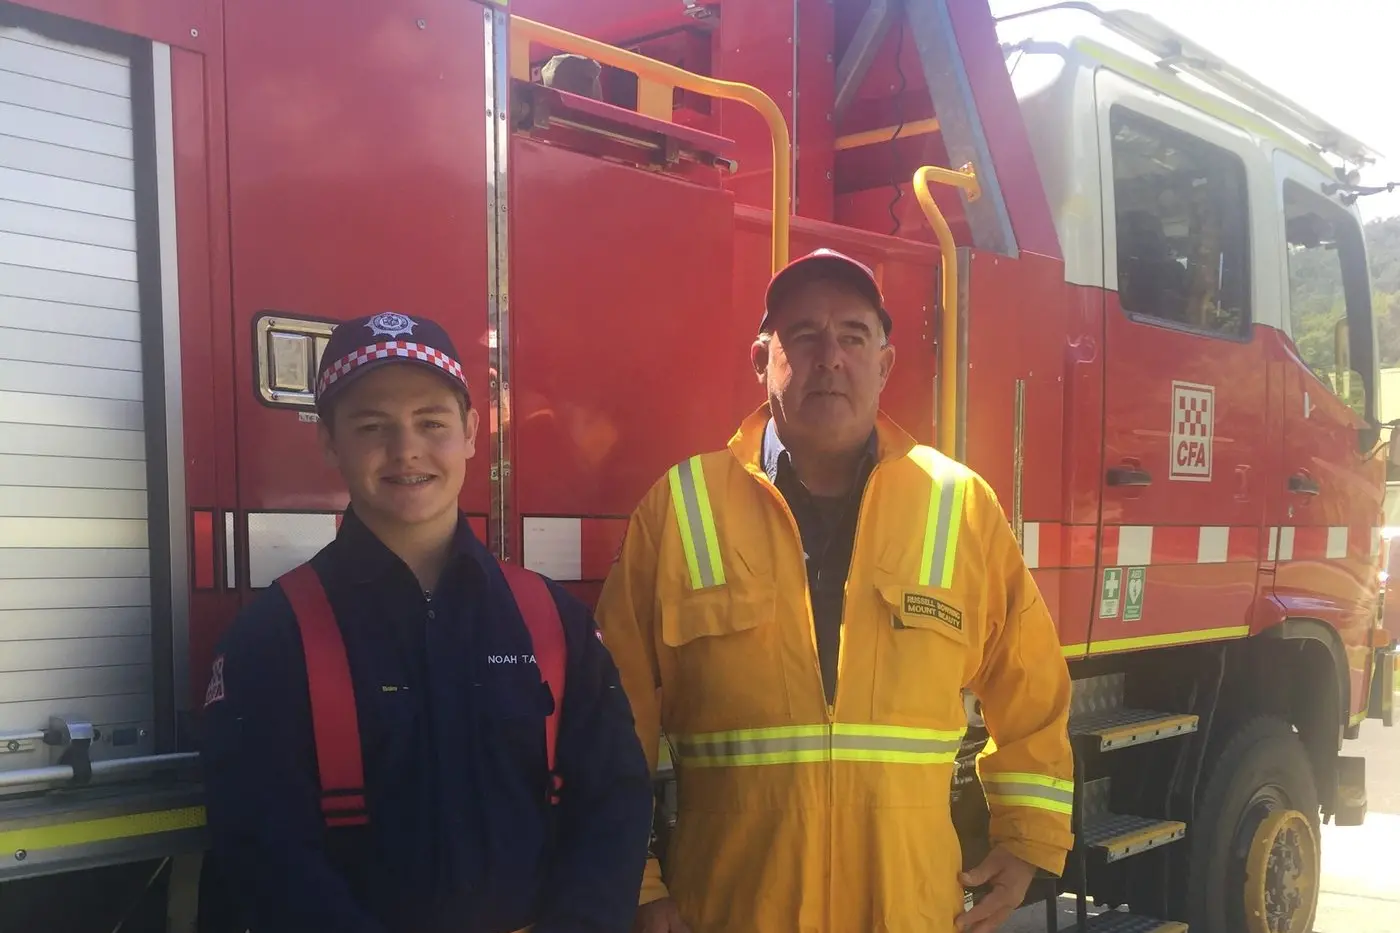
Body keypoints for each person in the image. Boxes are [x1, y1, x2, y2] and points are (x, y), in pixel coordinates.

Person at [595, 250, 1075, 933]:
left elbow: (1032, 689)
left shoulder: (959, 505)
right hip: (731, 913)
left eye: (853, 335)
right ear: (762, 360)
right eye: (803, 336)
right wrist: (634, 880)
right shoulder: (680, 509)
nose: (830, 357)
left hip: (904, 913)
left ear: (884, 365)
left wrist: (1027, 838)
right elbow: (611, 717)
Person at [200, 312, 653, 933]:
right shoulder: (272, 641)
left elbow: (614, 805)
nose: (406, 448)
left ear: (471, 432)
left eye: (431, 422)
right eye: (372, 425)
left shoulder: (554, 624)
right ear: (329, 443)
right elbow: (264, 855)